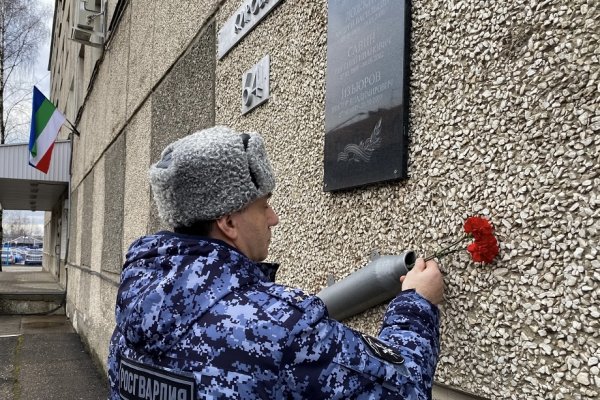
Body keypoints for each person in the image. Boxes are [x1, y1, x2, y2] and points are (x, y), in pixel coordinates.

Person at [107, 125, 444, 400]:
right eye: (263, 205)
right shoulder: (280, 325)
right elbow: (404, 390)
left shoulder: (135, 307)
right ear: (228, 223)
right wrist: (417, 304)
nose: (274, 218)